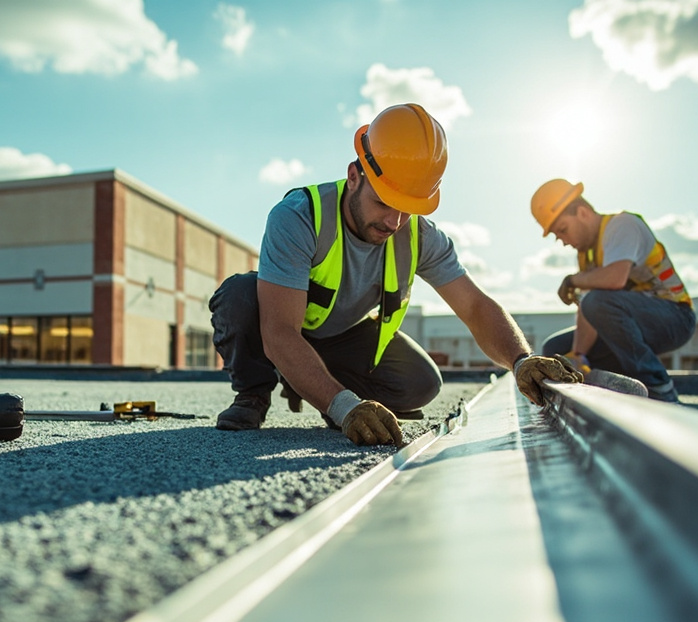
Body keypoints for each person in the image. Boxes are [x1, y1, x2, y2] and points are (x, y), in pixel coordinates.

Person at [209, 103, 583, 446]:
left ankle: (309, 382)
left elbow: (474, 306)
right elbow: (278, 333)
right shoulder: (299, 217)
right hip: (284, 327)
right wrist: (344, 408)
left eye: (407, 208)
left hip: (343, 337)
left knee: (419, 385)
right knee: (239, 297)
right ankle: (254, 392)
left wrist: (522, 359)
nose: (394, 221)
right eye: (384, 203)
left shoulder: (419, 235)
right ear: (354, 176)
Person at [529, 178, 696, 403]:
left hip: (675, 318)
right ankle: (613, 382)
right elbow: (589, 309)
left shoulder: (623, 225)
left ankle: (658, 386)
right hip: (633, 323)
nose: (564, 241)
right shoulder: (587, 254)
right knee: (555, 349)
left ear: (583, 213)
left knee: (597, 302)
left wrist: (572, 280)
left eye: (563, 230)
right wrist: (578, 356)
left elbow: (615, 279)